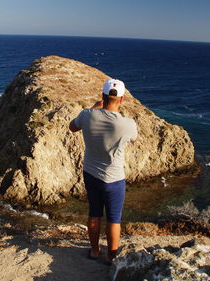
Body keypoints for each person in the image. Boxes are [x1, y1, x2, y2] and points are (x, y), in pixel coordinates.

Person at [69, 79, 138, 264]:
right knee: (114, 219)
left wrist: (93, 108)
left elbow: (72, 127)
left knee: (94, 213)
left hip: (91, 173)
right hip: (114, 178)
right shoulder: (127, 125)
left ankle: (94, 250)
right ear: (121, 99)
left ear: (102, 96)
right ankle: (111, 256)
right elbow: (132, 137)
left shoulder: (87, 115)